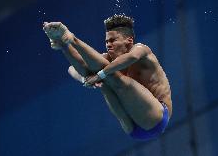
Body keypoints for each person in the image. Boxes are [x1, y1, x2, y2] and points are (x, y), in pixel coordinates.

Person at [42, 14, 172, 140]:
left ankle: (72, 39)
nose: (108, 45)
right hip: (133, 129)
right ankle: (64, 43)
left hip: (156, 118)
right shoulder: (108, 59)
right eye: (106, 41)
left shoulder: (141, 49)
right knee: (98, 76)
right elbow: (72, 69)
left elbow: (131, 58)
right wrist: (85, 79)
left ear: (129, 40)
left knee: (113, 77)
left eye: (113, 40)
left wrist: (99, 75)